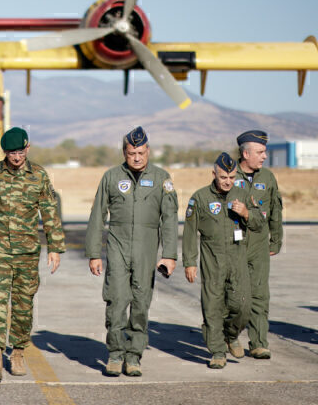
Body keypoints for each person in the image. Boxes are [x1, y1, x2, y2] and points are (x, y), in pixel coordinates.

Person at [84, 126, 178, 377]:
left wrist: (169, 255)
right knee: (115, 301)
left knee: (140, 304)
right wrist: (94, 253)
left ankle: (134, 355)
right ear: (124, 153)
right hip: (118, 246)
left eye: (141, 152)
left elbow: (169, 219)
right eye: (131, 153)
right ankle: (115, 354)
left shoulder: (161, 179)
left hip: (146, 248)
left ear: (148, 151)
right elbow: (97, 216)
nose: (136, 157)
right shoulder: (112, 177)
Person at [0, 127, 65, 381]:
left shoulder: (39, 175)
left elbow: (49, 211)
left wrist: (55, 247)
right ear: (4, 152)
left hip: (27, 251)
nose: (16, 157)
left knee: (24, 304)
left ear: (28, 148)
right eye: (11, 152)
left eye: (20, 151)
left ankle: (18, 352)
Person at [182, 152, 262, 368]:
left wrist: (246, 213)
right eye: (223, 177)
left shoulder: (242, 194)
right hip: (212, 258)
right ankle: (217, 351)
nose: (228, 182)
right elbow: (190, 232)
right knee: (212, 306)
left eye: (232, 177)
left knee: (243, 306)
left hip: (237, 257)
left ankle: (231, 334)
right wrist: (189, 261)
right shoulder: (200, 198)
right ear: (214, 174)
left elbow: (259, 224)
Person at [234, 130, 283, 359]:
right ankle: (229, 337)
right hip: (235, 244)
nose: (264, 156)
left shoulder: (268, 178)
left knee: (260, 295)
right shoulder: (228, 174)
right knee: (233, 295)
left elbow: (275, 210)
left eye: (265, 152)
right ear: (245, 153)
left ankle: (259, 342)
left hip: (260, 244)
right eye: (260, 152)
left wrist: (276, 239)